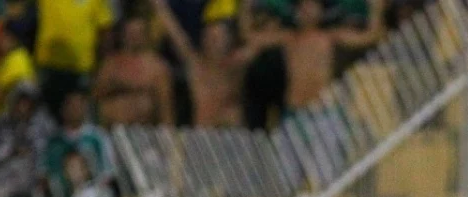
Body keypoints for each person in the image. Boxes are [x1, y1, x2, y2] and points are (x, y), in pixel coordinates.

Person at [241, 0, 382, 116]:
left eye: (312, 6)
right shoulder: (289, 39)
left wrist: (376, 9)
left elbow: (370, 36)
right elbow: (250, 37)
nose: (307, 11)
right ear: (297, 13)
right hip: (294, 109)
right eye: (303, 7)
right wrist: (245, 8)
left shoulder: (330, 37)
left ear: (320, 12)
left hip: (324, 108)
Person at [150, 0, 247, 127]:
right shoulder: (196, 66)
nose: (214, 41)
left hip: (229, 135)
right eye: (210, 38)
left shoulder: (235, 63)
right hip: (199, 133)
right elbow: (162, 12)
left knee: (233, 114)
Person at [91, 15, 173, 126]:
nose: (134, 37)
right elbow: (94, 95)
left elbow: (165, 107)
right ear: (123, 34)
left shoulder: (157, 67)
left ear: (146, 35)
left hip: (143, 130)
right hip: (111, 129)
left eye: (138, 33)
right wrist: (118, 86)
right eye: (130, 32)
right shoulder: (110, 63)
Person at [33, 0, 112, 115]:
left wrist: (102, 66)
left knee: (77, 118)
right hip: (49, 65)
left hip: (81, 68)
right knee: (46, 115)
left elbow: (104, 30)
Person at [44, 90, 115, 184]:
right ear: (63, 109)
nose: (76, 110)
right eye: (72, 106)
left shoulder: (97, 136)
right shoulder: (53, 143)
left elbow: (109, 170)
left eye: (79, 105)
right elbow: (47, 175)